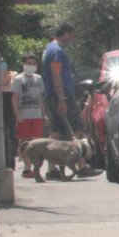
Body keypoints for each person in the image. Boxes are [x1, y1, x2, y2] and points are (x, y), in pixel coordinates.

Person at [40, 24, 78, 176]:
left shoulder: (50, 49)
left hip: (56, 95)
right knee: (72, 127)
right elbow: (56, 75)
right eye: (71, 35)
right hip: (60, 95)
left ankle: (53, 168)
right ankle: (76, 165)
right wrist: (62, 98)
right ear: (65, 34)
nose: (72, 38)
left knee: (57, 130)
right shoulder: (56, 51)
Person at [11, 54, 47, 178]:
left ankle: (35, 168)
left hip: (37, 115)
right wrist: (17, 114)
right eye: (29, 63)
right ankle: (27, 168)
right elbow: (14, 98)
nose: (31, 66)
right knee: (25, 142)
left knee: (36, 142)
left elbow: (41, 98)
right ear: (23, 64)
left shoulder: (39, 79)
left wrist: (44, 114)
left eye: (33, 64)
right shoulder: (18, 79)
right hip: (24, 115)